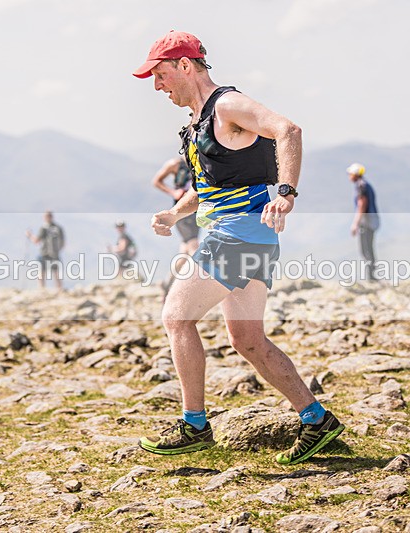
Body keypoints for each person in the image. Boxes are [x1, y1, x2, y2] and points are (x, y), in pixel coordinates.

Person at [133, 30, 345, 465]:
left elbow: (288, 130)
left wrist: (286, 192)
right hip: (247, 237)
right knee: (247, 340)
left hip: (239, 235)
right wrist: (175, 213)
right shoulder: (197, 123)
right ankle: (315, 418)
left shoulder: (226, 105)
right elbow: (210, 186)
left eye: (161, 75)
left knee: (176, 317)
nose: (157, 86)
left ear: (186, 66)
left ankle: (194, 425)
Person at [152, 156, 200, 297]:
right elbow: (156, 181)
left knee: (184, 253)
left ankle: (167, 283)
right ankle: (194, 288)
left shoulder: (200, 160)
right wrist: (173, 192)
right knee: (194, 248)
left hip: (196, 211)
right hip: (180, 212)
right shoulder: (175, 164)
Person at [347, 163, 380, 281]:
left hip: (366, 222)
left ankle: (371, 278)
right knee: (369, 249)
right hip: (372, 221)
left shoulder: (361, 186)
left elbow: (361, 204)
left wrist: (355, 223)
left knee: (365, 250)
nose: (349, 176)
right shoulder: (366, 185)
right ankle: (372, 276)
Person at [26, 211, 64, 290]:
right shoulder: (58, 228)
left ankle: (42, 290)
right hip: (55, 254)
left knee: (41, 274)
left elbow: (36, 241)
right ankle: (59, 290)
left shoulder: (44, 228)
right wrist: (57, 250)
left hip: (44, 253)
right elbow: (63, 242)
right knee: (56, 274)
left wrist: (29, 235)